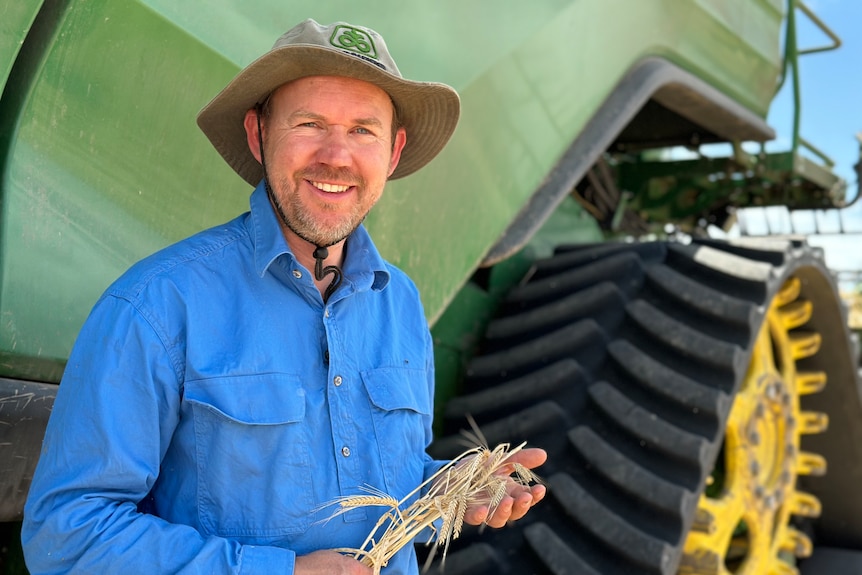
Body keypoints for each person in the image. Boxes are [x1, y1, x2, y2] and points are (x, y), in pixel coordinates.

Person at [21, 17, 546, 575]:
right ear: (259, 135)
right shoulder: (157, 304)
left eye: (363, 130)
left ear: (392, 155)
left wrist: (452, 493)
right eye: (310, 123)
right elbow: (67, 534)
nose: (336, 156)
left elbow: (379, 484)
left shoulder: (400, 303)